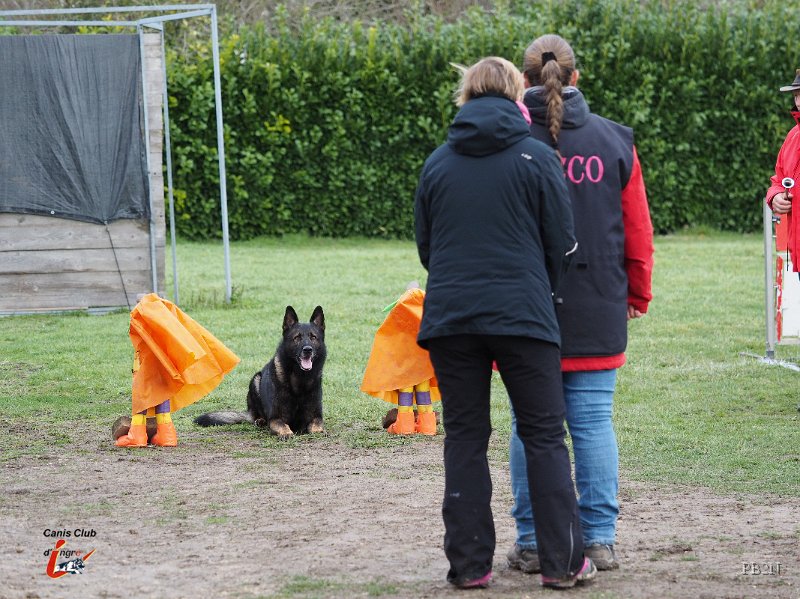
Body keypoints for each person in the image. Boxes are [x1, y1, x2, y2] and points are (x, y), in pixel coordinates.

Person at [414, 56, 596, 590]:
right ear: (519, 95)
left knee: (465, 437)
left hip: (452, 318)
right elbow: (563, 243)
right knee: (544, 435)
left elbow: (427, 249)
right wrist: (537, 288)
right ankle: (563, 564)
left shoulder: (437, 163)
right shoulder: (537, 157)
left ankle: (470, 566)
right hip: (524, 315)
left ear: (465, 96)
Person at [505, 34, 654, 574]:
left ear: (523, 80)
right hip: (597, 300)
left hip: (524, 305)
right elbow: (637, 229)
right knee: (592, 422)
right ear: (576, 77)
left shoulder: (506, 139)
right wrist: (637, 292)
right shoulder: (615, 140)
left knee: (528, 426)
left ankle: (530, 540)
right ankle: (598, 540)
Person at [361, 282, 441, 435]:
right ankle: (428, 426)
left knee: (406, 394)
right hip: (424, 368)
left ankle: (405, 426)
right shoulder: (429, 318)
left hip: (404, 369)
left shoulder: (398, 316)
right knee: (424, 394)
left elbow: (386, 339)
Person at [766, 68, 800, 271]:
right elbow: (778, 179)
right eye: (796, 95)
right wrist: (776, 196)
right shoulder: (793, 136)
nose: (799, 102)